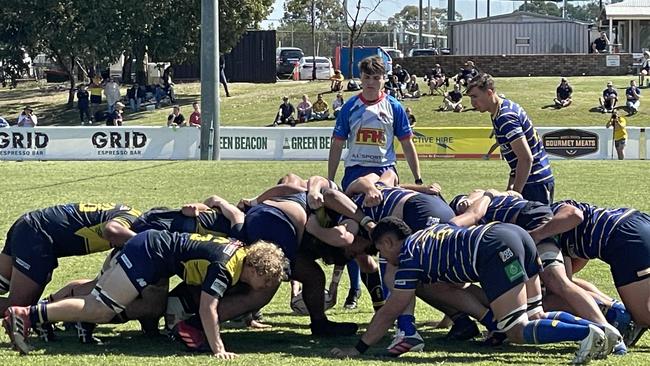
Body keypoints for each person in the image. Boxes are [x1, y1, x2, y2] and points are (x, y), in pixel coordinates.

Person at [330, 216, 620, 363]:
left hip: (494, 248)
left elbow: (392, 308)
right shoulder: (427, 235)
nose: (383, 256)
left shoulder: (408, 258)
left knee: (515, 330)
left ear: (389, 243)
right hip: (514, 234)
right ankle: (601, 329)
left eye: (380, 249)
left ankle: (586, 332)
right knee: (536, 314)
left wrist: (359, 348)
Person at [3, 231, 287, 358]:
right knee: (102, 307)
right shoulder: (226, 267)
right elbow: (207, 310)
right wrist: (219, 349)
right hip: (148, 254)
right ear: (257, 269)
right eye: (268, 280)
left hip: (154, 253)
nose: (267, 286)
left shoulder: (236, 253)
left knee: (120, 302)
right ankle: (28, 314)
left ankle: (42, 315)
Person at [327, 55, 422, 350]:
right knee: (350, 237)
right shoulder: (350, 107)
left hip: (385, 174)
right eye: (366, 78)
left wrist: (417, 178)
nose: (371, 83)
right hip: (355, 175)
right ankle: (357, 291)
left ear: (384, 79)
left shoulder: (393, 107)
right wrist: (331, 179)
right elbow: (337, 144)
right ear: (361, 79)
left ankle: (394, 309)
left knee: (388, 239)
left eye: (376, 78)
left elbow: (406, 143)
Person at [529, 199, 650, 347]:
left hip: (624, 237)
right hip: (637, 221)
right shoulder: (563, 232)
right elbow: (569, 280)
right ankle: (616, 310)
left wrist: (534, 235)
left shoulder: (551, 214)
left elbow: (575, 215)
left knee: (643, 318)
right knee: (566, 287)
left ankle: (615, 317)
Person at [0, 203, 141, 314]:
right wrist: (144, 242)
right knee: (19, 307)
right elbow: (111, 230)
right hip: (37, 234)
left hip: (31, 223)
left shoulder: (132, 215)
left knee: (2, 282)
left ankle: (50, 309)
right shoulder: (131, 223)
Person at [467, 73, 554, 204]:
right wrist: (510, 187)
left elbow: (525, 158)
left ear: (489, 93)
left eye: (475, 96)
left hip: (534, 183)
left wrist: (516, 193)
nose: (472, 102)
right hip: (531, 181)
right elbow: (517, 159)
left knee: (537, 224)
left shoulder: (505, 117)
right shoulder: (499, 111)